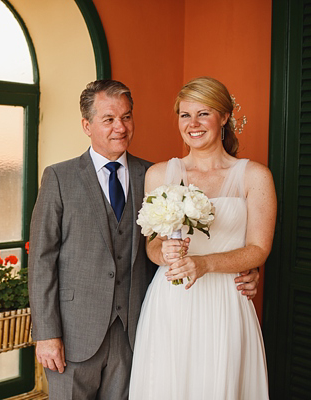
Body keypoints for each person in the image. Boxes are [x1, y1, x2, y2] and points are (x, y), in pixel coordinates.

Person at [28, 79, 261, 400]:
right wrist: (47, 334)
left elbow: (165, 245)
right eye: (108, 119)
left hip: (136, 329)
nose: (119, 127)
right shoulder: (59, 177)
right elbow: (41, 258)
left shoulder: (152, 174)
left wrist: (246, 268)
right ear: (87, 125)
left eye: (126, 117)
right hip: (76, 334)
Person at [129, 76, 276, 399]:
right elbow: (151, 245)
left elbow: (259, 248)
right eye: (185, 115)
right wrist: (164, 252)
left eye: (203, 113)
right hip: (172, 302)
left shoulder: (254, 176)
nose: (193, 124)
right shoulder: (159, 174)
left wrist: (204, 263)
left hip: (226, 301)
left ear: (224, 117)